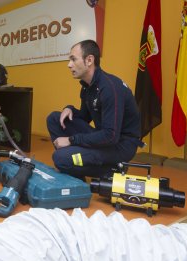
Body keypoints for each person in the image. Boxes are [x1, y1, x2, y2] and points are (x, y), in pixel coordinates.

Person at [46, 39, 143, 179]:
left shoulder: (110, 88)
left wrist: (71, 140)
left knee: (60, 158)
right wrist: (70, 109)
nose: (69, 65)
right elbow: (84, 118)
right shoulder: (88, 87)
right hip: (104, 137)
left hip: (120, 146)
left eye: (73, 59)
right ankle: (76, 168)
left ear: (89, 60)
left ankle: (112, 168)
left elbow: (111, 136)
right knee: (54, 118)